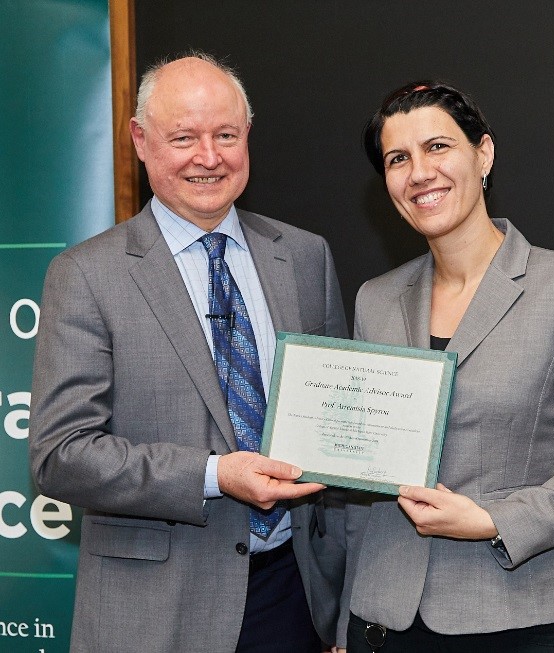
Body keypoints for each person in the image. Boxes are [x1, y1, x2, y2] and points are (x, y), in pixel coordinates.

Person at [30, 53, 347, 653]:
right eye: (184, 138)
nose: (209, 157)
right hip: (153, 613)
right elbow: (61, 455)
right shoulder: (86, 275)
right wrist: (213, 476)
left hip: (294, 596)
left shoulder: (305, 258)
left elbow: (336, 434)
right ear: (140, 141)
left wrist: (343, 606)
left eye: (225, 135)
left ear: (247, 136)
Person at [336, 82, 554, 652]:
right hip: (386, 621)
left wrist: (494, 518)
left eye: (438, 147)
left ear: (483, 153)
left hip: (526, 616)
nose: (420, 173)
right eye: (398, 159)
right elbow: (364, 481)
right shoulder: (375, 300)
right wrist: (345, 621)